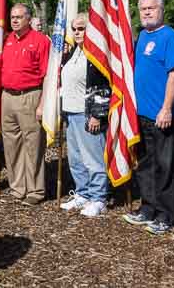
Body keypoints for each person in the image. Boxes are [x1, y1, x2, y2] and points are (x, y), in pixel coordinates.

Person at [123, 0, 174, 235]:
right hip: (141, 114)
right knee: (146, 165)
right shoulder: (140, 39)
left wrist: (167, 107)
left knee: (166, 166)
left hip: (162, 115)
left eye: (152, 8)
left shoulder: (170, 37)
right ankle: (148, 208)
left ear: (162, 10)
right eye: (143, 9)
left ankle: (165, 215)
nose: (147, 12)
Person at [59, 12, 111, 217]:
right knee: (76, 158)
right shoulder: (74, 52)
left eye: (82, 28)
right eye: (74, 29)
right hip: (70, 113)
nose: (77, 32)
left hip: (87, 113)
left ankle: (99, 198)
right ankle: (83, 193)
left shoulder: (96, 55)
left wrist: (97, 114)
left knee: (93, 158)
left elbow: (103, 86)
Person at [1, 3, 51, 205]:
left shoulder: (40, 41)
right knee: (11, 145)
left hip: (30, 95)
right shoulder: (7, 40)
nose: (14, 20)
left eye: (19, 17)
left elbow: (47, 75)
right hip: (7, 97)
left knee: (33, 145)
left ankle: (35, 191)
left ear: (29, 19)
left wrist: (42, 105)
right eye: (12, 17)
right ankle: (17, 187)